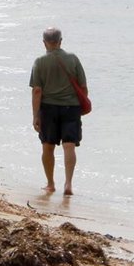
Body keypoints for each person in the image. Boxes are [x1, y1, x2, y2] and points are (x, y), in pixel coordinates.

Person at [29, 27, 86, 196]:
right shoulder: (73, 59)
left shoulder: (39, 62)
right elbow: (83, 87)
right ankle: (68, 184)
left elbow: (37, 91)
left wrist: (35, 115)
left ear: (44, 43)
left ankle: (50, 184)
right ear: (60, 41)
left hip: (48, 109)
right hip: (71, 108)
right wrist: (79, 108)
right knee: (69, 145)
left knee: (48, 146)